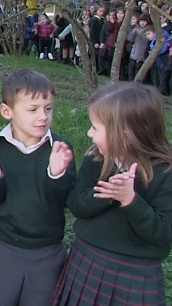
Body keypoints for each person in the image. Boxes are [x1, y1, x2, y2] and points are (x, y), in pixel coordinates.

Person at [54, 82, 172, 305]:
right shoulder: (96, 159)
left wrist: (130, 200)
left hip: (135, 275)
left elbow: (164, 234)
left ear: (126, 133)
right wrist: (108, 194)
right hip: (86, 262)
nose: (89, 133)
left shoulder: (165, 173)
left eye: (96, 128)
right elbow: (77, 204)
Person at [0, 70, 75, 305]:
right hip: (4, 247)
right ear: (7, 111)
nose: (43, 116)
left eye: (48, 108)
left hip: (47, 252)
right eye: (32, 109)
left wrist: (57, 174)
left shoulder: (59, 149)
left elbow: (64, 200)